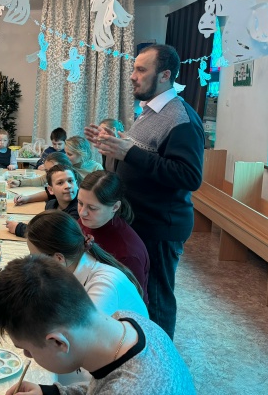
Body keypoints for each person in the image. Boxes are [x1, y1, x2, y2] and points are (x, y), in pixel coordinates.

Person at [84, 44, 204, 339]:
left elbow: (189, 176)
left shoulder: (181, 119)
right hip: (140, 220)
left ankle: (160, 359)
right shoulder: (149, 112)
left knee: (158, 298)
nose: (132, 76)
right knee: (141, 292)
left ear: (164, 75)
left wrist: (129, 152)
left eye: (141, 69)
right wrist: (112, 145)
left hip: (160, 226)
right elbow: (140, 155)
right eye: (134, 69)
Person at [0, 256, 195, 395]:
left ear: (58, 342)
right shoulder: (126, 320)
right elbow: (101, 386)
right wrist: (51, 393)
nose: (27, 355)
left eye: (27, 350)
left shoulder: (131, 388)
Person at [0, 210, 147, 318]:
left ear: (57, 259)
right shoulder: (74, 262)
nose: (31, 261)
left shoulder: (102, 288)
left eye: (34, 256)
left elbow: (73, 339)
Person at [77, 170, 149, 303]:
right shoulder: (86, 222)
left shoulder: (128, 253)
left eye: (92, 208)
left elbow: (132, 303)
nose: (82, 213)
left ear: (115, 207)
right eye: (80, 203)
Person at [7, 164, 79, 237]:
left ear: (77, 184)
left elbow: (56, 235)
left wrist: (19, 228)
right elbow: (45, 227)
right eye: (60, 183)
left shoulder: (79, 209)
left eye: (70, 181)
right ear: (50, 190)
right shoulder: (50, 205)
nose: (67, 186)